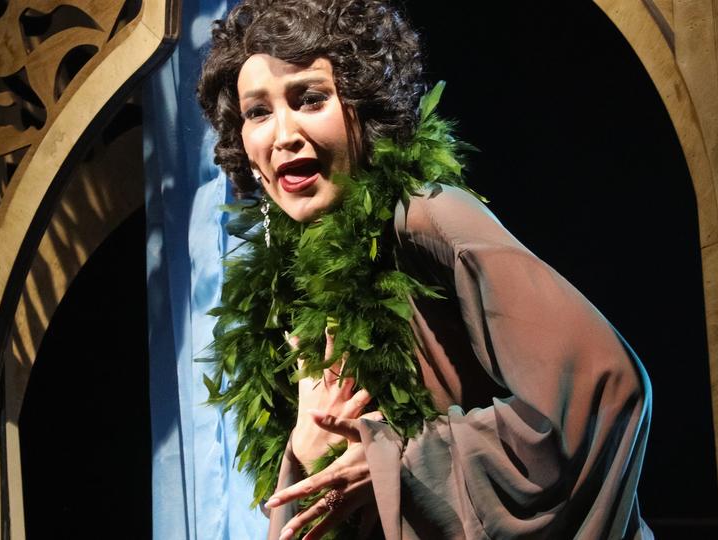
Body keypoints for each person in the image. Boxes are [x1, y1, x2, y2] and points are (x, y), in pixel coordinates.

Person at [197, 1, 654, 538]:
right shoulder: (286, 282)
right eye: (257, 112)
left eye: (311, 99)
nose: (283, 135)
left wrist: (395, 462)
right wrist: (303, 450)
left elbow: (604, 387)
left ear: (365, 105)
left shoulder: (427, 217)